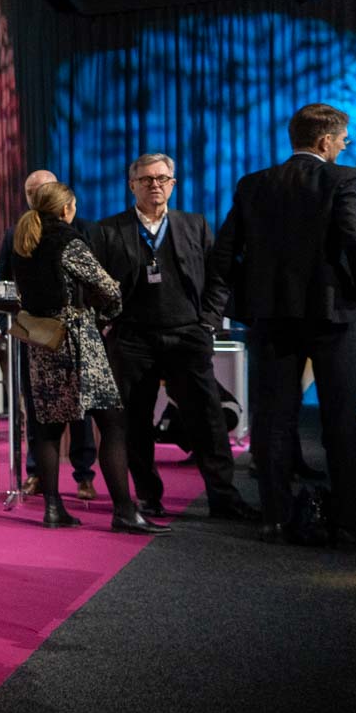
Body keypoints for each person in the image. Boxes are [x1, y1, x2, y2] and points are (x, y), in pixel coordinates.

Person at [212, 103, 356, 548]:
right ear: (325, 142)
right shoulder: (345, 179)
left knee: (273, 421)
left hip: (272, 319)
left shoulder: (254, 184)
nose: (346, 146)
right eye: (343, 139)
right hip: (335, 315)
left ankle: (274, 520)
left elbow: (226, 253)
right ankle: (345, 524)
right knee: (339, 421)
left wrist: (243, 304)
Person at [89, 153, 258, 522]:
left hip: (186, 335)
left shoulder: (194, 225)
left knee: (208, 421)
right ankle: (148, 496)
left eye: (163, 178)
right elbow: (94, 284)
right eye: (146, 179)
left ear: (173, 184)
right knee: (135, 424)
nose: (155, 185)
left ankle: (223, 497)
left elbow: (218, 278)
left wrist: (209, 322)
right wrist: (107, 323)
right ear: (131, 185)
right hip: (132, 338)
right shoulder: (107, 230)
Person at [11, 182, 163, 534]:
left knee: (48, 431)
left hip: (40, 344)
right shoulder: (69, 241)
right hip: (76, 341)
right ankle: (125, 510)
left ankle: (53, 509)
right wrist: (104, 318)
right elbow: (109, 288)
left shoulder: (24, 243)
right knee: (111, 424)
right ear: (66, 209)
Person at [0, 168, 99, 499]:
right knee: (37, 410)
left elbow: (96, 283)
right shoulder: (16, 233)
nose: (35, 197)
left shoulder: (83, 230)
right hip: (36, 334)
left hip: (75, 336)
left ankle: (84, 474)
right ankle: (36, 474)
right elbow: (4, 283)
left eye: (41, 191)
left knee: (80, 407)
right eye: (30, 191)